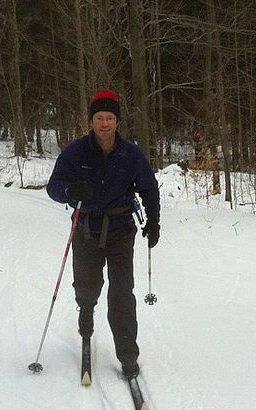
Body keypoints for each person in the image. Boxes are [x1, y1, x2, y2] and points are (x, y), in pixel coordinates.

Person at [46, 89, 160, 379]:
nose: (105, 123)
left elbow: (148, 188)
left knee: (122, 293)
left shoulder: (131, 154)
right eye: (99, 118)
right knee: (87, 285)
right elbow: (54, 186)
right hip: (86, 228)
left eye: (110, 118)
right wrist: (70, 191)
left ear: (117, 121)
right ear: (92, 120)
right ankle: (86, 320)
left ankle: (127, 354)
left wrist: (154, 220)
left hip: (121, 229)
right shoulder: (76, 151)